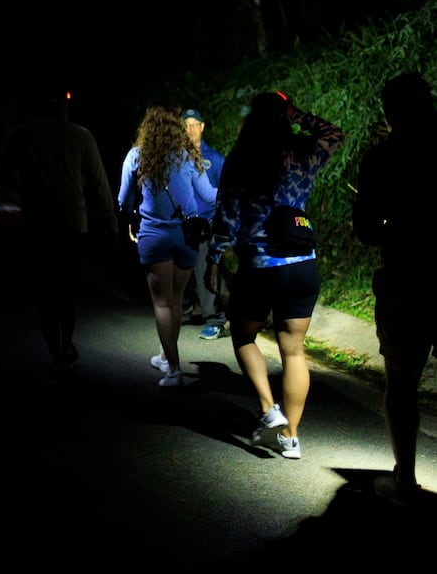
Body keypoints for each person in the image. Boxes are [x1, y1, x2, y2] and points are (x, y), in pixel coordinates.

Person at [206, 92, 343, 460]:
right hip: (302, 263)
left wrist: (214, 257)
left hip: (260, 266)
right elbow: (334, 133)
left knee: (243, 334)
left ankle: (269, 410)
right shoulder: (304, 153)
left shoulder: (241, 160)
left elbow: (227, 216)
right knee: (294, 351)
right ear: (284, 117)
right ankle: (291, 438)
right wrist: (298, 114)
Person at [352, 70, 437, 505]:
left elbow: (365, 228)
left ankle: (405, 479)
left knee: (402, 383)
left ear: (390, 114)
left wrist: (395, 227)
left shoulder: (382, 159)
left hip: (407, 280)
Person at [0, 86, 119, 384]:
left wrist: (23, 196)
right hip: (73, 224)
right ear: (65, 106)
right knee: (67, 290)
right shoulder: (81, 136)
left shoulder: (22, 134)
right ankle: (65, 345)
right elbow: (100, 184)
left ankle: (55, 354)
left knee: (43, 292)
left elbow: (2, 175)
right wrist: (110, 223)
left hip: (37, 223)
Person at [118, 105, 218, 388]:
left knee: (162, 303)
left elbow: (123, 200)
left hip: (155, 236)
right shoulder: (188, 156)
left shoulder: (137, 156)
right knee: (175, 300)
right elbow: (209, 196)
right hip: (187, 237)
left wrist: (131, 216)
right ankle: (165, 354)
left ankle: (173, 370)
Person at [181, 109, 226, 340]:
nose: (190, 129)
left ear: (202, 126)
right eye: (186, 125)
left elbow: (224, 193)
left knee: (206, 271)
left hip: (207, 226)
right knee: (179, 270)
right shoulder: (176, 157)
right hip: (181, 224)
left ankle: (214, 319)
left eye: (194, 124)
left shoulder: (215, 159)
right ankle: (186, 305)